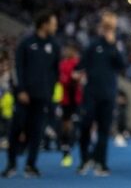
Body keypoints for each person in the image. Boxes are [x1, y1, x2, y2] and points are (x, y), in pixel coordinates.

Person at [3, 11, 60, 179]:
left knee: (37, 131)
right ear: (44, 24)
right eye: (53, 23)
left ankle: (31, 165)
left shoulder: (55, 46)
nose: (55, 26)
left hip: (42, 97)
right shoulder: (26, 43)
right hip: (23, 96)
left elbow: (54, 72)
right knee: (16, 128)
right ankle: (11, 164)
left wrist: (49, 92)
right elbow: (17, 68)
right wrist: (20, 90)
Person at [77, 12, 126, 177]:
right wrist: (76, 74)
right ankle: (85, 159)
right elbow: (80, 65)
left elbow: (122, 65)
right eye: (106, 27)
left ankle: (101, 163)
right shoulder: (92, 45)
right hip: (91, 93)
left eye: (111, 27)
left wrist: (113, 46)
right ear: (101, 27)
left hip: (108, 94)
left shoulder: (115, 46)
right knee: (85, 125)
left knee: (104, 130)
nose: (108, 30)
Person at [57, 45, 82, 167]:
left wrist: (78, 79)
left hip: (77, 99)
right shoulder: (63, 64)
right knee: (66, 124)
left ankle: (78, 147)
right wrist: (71, 79)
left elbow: (82, 77)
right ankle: (66, 148)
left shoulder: (77, 63)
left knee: (78, 123)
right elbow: (62, 79)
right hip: (66, 99)